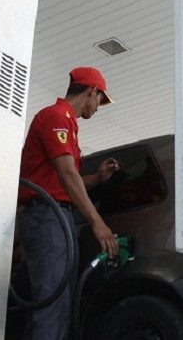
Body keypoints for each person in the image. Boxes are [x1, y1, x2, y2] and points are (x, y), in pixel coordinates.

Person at [17, 67, 120, 340]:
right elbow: (66, 175)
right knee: (52, 304)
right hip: (46, 217)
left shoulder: (68, 125)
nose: (98, 107)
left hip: (57, 217)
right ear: (91, 92)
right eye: (100, 100)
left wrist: (97, 179)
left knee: (57, 304)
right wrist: (97, 223)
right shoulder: (55, 117)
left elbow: (63, 182)